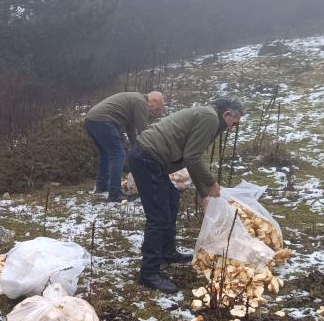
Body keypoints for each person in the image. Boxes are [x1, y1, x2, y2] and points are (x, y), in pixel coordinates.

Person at [128, 97, 244, 293]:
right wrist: (211, 184)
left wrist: (203, 194)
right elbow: (193, 157)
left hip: (153, 159)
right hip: (147, 157)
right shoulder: (210, 118)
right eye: (235, 122)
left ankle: (167, 252)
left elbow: (191, 158)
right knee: (158, 216)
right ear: (227, 114)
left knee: (172, 199)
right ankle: (149, 272)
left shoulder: (210, 117)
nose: (233, 128)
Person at [84, 91, 165, 202]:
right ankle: (115, 194)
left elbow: (130, 128)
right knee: (118, 155)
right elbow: (143, 130)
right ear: (153, 101)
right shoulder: (140, 102)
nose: (154, 112)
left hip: (91, 120)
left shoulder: (134, 100)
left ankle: (102, 186)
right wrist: (149, 150)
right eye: (157, 109)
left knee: (106, 155)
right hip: (103, 121)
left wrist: (135, 146)